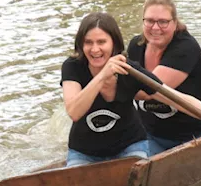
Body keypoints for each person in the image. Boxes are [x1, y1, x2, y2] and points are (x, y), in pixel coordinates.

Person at [125, 0, 201, 155]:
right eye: (149, 21)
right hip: (155, 135)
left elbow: (146, 91)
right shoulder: (136, 46)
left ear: (175, 23)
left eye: (163, 22)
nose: (155, 28)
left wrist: (110, 84)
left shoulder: (185, 48)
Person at [60, 12, 150, 167]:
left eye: (101, 42)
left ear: (114, 44)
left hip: (130, 147)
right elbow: (74, 112)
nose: (95, 49)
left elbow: (171, 95)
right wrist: (102, 76)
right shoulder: (72, 66)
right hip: (84, 152)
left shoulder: (128, 68)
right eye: (88, 42)